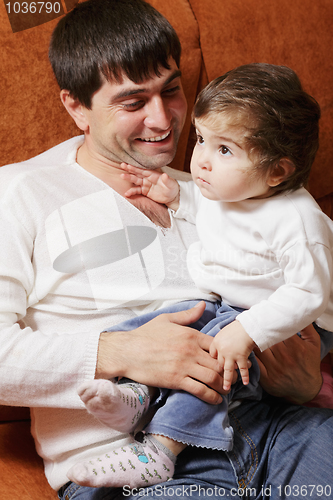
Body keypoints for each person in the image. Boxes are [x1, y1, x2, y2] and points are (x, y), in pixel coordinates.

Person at [0, 0, 331, 498]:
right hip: (127, 462)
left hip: (278, 431)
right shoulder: (20, 192)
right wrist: (120, 352)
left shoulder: (226, 184)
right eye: (133, 102)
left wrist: (306, 383)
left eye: (171, 91)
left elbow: (307, 292)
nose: (163, 119)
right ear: (76, 107)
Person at [66, 63, 333, 490]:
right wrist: (178, 197)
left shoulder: (298, 221)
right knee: (153, 326)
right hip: (235, 305)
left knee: (215, 356)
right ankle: (138, 395)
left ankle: (160, 450)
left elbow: (308, 292)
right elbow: (214, 215)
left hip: (286, 316)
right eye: (202, 139)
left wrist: (246, 330)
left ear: (278, 173)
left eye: (223, 149)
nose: (201, 160)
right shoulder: (236, 186)